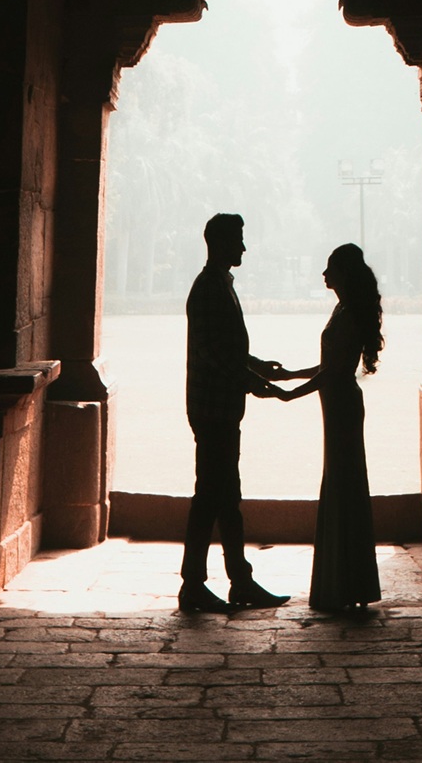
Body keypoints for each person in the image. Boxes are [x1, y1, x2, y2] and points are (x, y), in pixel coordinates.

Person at [181, 213, 294, 613]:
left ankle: (234, 580)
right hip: (215, 408)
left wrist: (257, 368)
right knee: (213, 497)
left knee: (224, 497)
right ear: (220, 243)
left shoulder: (216, 285)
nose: (243, 247)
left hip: (218, 406)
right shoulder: (211, 288)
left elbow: (221, 350)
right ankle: (198, 584)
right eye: (238, 240)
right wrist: (252, 379)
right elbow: (213, 352)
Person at [277, 243, 384, 612]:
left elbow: (333, 372)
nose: (324, 275)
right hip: (338, 403)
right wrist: (291, 375)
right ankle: (348, 584)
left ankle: (343, 585)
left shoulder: (348, 313)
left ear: (343, 274)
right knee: (343, 485)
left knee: (343, 485)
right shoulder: (344, 309)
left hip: (341, 406)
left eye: (330, 269)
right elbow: (330, 366)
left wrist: (291, 393)